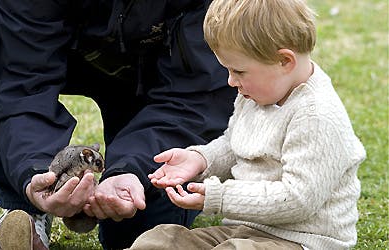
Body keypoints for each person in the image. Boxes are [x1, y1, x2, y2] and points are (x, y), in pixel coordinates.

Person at [0, 0, 237, 249]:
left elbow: (197, 94)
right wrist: (35, 170)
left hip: (160, 68)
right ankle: (26, 208)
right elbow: (23, 80)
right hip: (63, 37)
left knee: (135, 235)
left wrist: (132, 168)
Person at [128, 0, 367, 249]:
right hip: (243, 231)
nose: (231, 81)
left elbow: (298, 200)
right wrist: (201, 159)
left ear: (284, 61)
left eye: (239, 71)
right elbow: (235, 145)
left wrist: (218, 197)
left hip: (301, 240)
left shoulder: (316, 116)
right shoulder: (255, 94)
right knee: (161, 239)